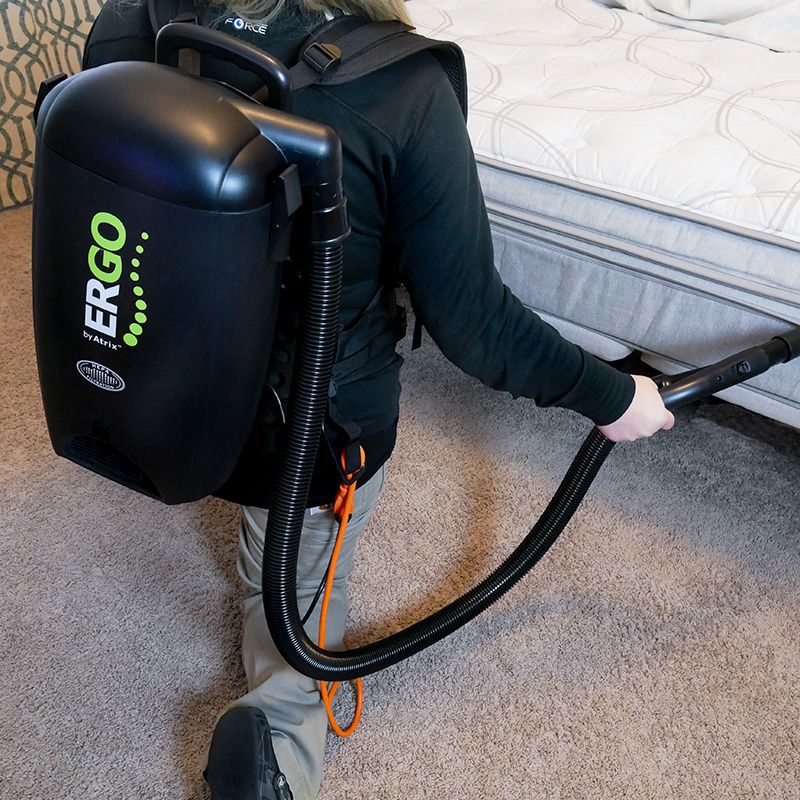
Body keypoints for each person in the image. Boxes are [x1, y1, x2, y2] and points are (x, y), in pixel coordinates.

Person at [83, 2, 675, 798]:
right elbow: (477, 325)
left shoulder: (133, 20)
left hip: (146, 383)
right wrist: (614, 395)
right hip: (303, 438)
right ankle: (281, 740)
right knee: (290, 595)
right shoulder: (401, 89)